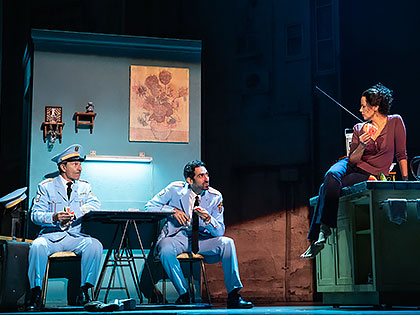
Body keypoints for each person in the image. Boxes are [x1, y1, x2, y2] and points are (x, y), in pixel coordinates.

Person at [301, 83, 408, 259]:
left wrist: (404, 181)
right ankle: (324, 231)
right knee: (331, 175)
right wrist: (363, 145)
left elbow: (401, 154)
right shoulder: (359, 128)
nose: (360, 110)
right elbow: (352, 159)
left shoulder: (395, 121)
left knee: (324, 188)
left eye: (364, 106)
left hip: (369, 172)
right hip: (351, 164)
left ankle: (319, 235)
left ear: (375, 107)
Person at [143, 160, 253, 308]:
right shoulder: (174, 189)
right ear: (190, 180)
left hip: (202, 239)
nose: (206, 178)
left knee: (227, 243)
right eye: (201, 175)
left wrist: (208, 219)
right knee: (165, 247)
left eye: (206, 174)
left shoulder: (215, 197)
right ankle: (184, 294)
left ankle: (234, 295)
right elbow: (150, 206)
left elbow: (219, 231)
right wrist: (173, 211)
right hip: (178, 237)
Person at [27, 144, 103, 311]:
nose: (80, 168)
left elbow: (95, 204)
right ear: (63, 166)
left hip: (75, 237)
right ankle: (35, 293)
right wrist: (53, 217)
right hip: (51, 236)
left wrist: (75, 213)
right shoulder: (46, 186)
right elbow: (35, 215)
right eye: (75, 164)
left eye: (80, 164)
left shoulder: (84, 187)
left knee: (95, 245)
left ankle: (84, 291)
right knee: (37, 246)